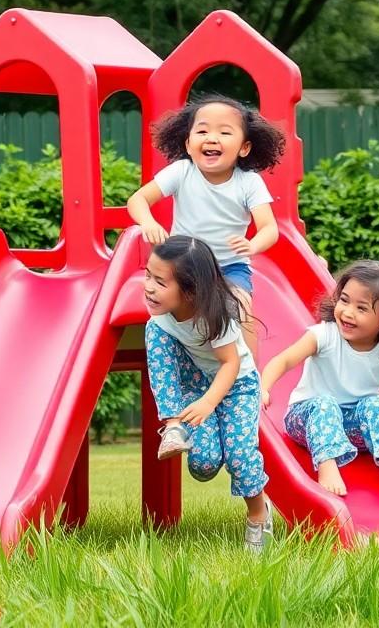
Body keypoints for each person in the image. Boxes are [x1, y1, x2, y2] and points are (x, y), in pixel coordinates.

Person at [261, 260, 379, 497]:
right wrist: (264, 388)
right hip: (307, 419)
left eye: (361, 308)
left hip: (354, 427)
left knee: (377, 404)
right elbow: (283, 361)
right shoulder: (324, 335)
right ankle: (327, 468)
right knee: (325, 404)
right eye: (344, 300)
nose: (347, 312)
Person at [128, 95, 286, 357]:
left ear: (244, 147)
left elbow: (269, 228)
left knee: (241, 306)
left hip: (229, 267)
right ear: (188, 144)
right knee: (169, 308)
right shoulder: (182, 171)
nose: (212, 138)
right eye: (202, 131)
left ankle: (250, 375)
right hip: (183, 266)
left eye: (224, 132)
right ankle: (181, 361)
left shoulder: (249, 182)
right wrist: (148, 222)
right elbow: (138, 200)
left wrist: (251, 245)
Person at [145, 235, 272, 552]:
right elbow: (165, 367)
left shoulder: (218, 312)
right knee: (203, 465)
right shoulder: (160, 319)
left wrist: (208, 403)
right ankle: (173, 425)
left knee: (240, 456)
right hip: (197, 382)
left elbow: (230, 363)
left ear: (191, 291)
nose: (148, 288)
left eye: (160, 282)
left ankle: (258, 514)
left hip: (237, 385)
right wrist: (195, 402)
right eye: (148, 276)